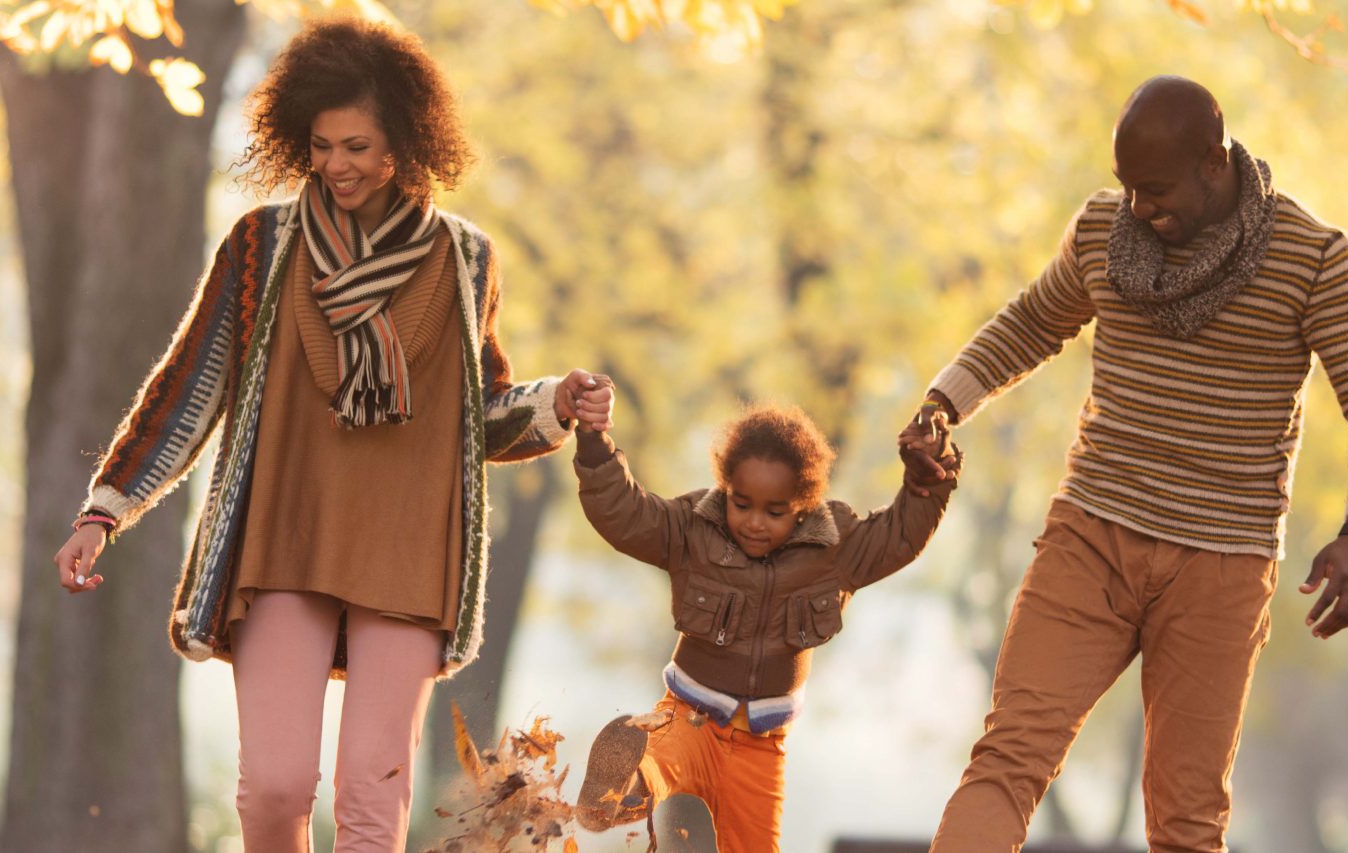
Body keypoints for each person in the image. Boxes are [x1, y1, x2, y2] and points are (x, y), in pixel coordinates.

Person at [48, 19, 611, 852]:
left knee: (369, 805)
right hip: (285, 540)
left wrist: (556, 400)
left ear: (405, 147)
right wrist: (105, 510)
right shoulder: (264, 244)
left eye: (358, 146)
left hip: (409, 554)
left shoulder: (464, 259)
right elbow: (190, 388)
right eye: (321, 145)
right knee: (273, 789)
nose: (336, 165)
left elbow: (477, 413)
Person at [924, 75, 1348, 852]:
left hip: (1221, 565)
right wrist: (943, 402)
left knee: (1186, 820)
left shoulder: (1311, 258)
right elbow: (1032, 322)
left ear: (1214, 164)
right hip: (1091, 536)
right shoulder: (1101, 233)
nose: (1139, 211)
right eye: (1127, 190)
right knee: (1008, 758)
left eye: (1155, 191)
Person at [568, 396, 962, 853]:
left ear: (804, 504)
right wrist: (594, 445)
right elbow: (626, 515)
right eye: (741, 504)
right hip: (688, 715)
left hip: (761, 745)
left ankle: (628, 785)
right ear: (725, 487)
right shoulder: (693, 529)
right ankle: (618, 786)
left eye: (775, 512)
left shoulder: (833, 547)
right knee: (658, 760)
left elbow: (898, 537)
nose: (754, 523)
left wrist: (926, 480)